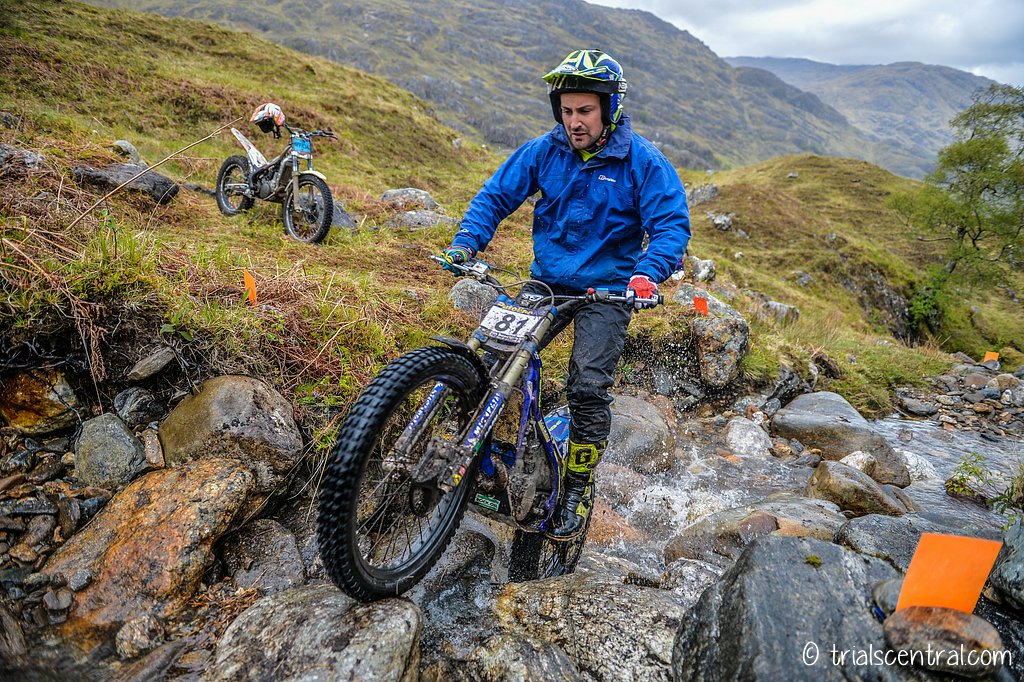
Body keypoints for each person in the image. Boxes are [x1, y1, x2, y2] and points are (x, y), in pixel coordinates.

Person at [442, 49, 691, 540]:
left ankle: (577, 486)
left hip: (609, 291)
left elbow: (670, 226)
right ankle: (476, 457)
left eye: (586, 111)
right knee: (490, 360)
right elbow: (495, 196)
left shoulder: (643, 161)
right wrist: (466, 240)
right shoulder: (544, 150)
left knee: (586, 388)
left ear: (609, 108)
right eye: (567, 110)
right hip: (546, 282)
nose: (574, 122)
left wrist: (646, 275)